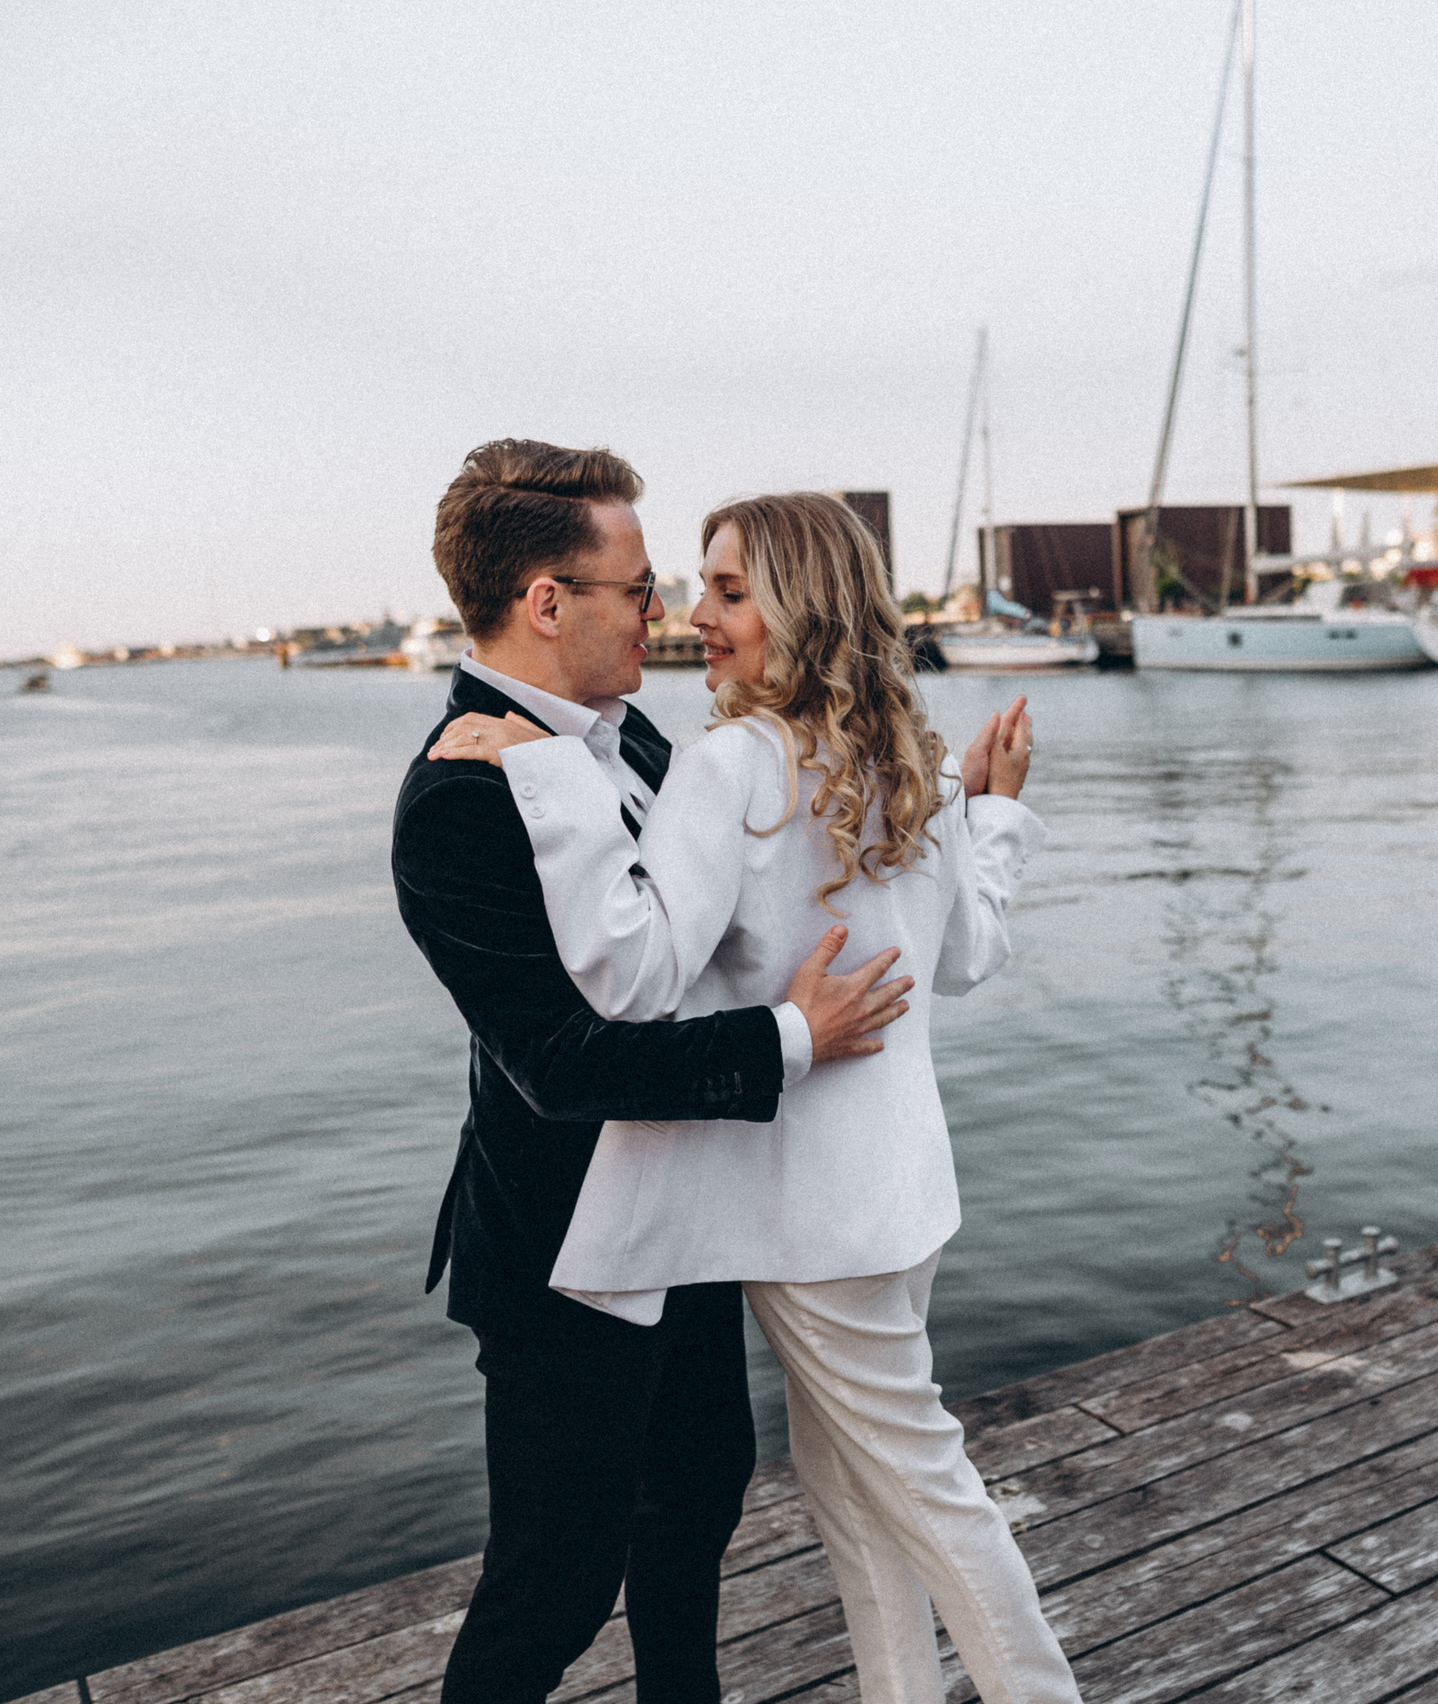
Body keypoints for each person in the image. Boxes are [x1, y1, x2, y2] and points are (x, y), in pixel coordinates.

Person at [429, 491, 1080, 1703]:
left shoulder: (721, 760)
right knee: (856, 1497)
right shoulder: (902, 761)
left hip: (802, 1210)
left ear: (798, 606)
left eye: (728, 591)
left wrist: (551, 784)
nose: (692, 616)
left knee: (925, 1491)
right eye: (686, 588)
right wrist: (993, 811)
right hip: (899, 1193)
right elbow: (970, 954)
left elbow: (629, 971)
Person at [391, 441, 923, 1704]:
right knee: (554, 1583)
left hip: (685, 1215)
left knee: (693, 1512)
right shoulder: (457, 795)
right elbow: (563, 1067)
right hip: (564, 1258)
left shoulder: (637, 747)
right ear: (546, 601)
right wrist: (795, 1040)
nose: (667, 615)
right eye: (637, 589)